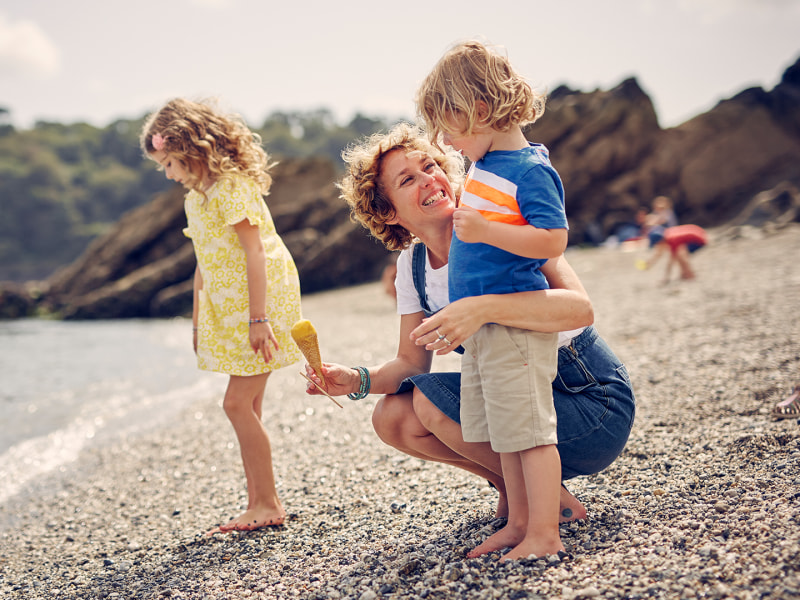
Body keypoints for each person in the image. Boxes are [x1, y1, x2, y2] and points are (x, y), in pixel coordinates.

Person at [304, 122, 635, 561]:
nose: (429, 180)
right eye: (408, 180)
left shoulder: (497, 223)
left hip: (589, 400)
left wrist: (482, 308)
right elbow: (410, 364)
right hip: (520, 400)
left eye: (430, 166)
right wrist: (354, 379)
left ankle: (541, 506)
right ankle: (525, 497)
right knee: (393, 416)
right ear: (388, 213)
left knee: (428, 402)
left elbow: (579, 310)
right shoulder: (414, 267)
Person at [415, 40, 567, 560]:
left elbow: (553, 241)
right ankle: (520, 522)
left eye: (451, 128)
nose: (446, 142)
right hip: (485, 330)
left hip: (514, 324)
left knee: (529, 432)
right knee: (505, 434)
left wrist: (483, 230)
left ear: (480, 111)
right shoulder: (487, 165)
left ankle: (545, 533)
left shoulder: (528, 170)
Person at [140, 98, 302, 533]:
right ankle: (257, 500)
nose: (169, 174)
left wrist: (259, 318)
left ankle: (267, 503)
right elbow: (203, 261)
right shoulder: (197, 198)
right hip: (228, 306)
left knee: (235, 403)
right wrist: (197, 322)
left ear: (193, 148)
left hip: (261, 301)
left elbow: (256, 251)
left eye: (170, 162)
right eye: (163, 167)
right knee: (249, 405)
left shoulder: (231, 187)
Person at [641, 224, 708, 283]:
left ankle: (690, 275)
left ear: (660, 241)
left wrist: (666, 278)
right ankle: (684, 274)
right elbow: (659, 253)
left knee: (680, 254)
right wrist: (649, 263)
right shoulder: (667, 234)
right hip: (699, 232)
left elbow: (670, 262)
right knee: (678, 253)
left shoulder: (672, 240)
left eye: (656, 244)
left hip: (699, 239)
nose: (657, 246)